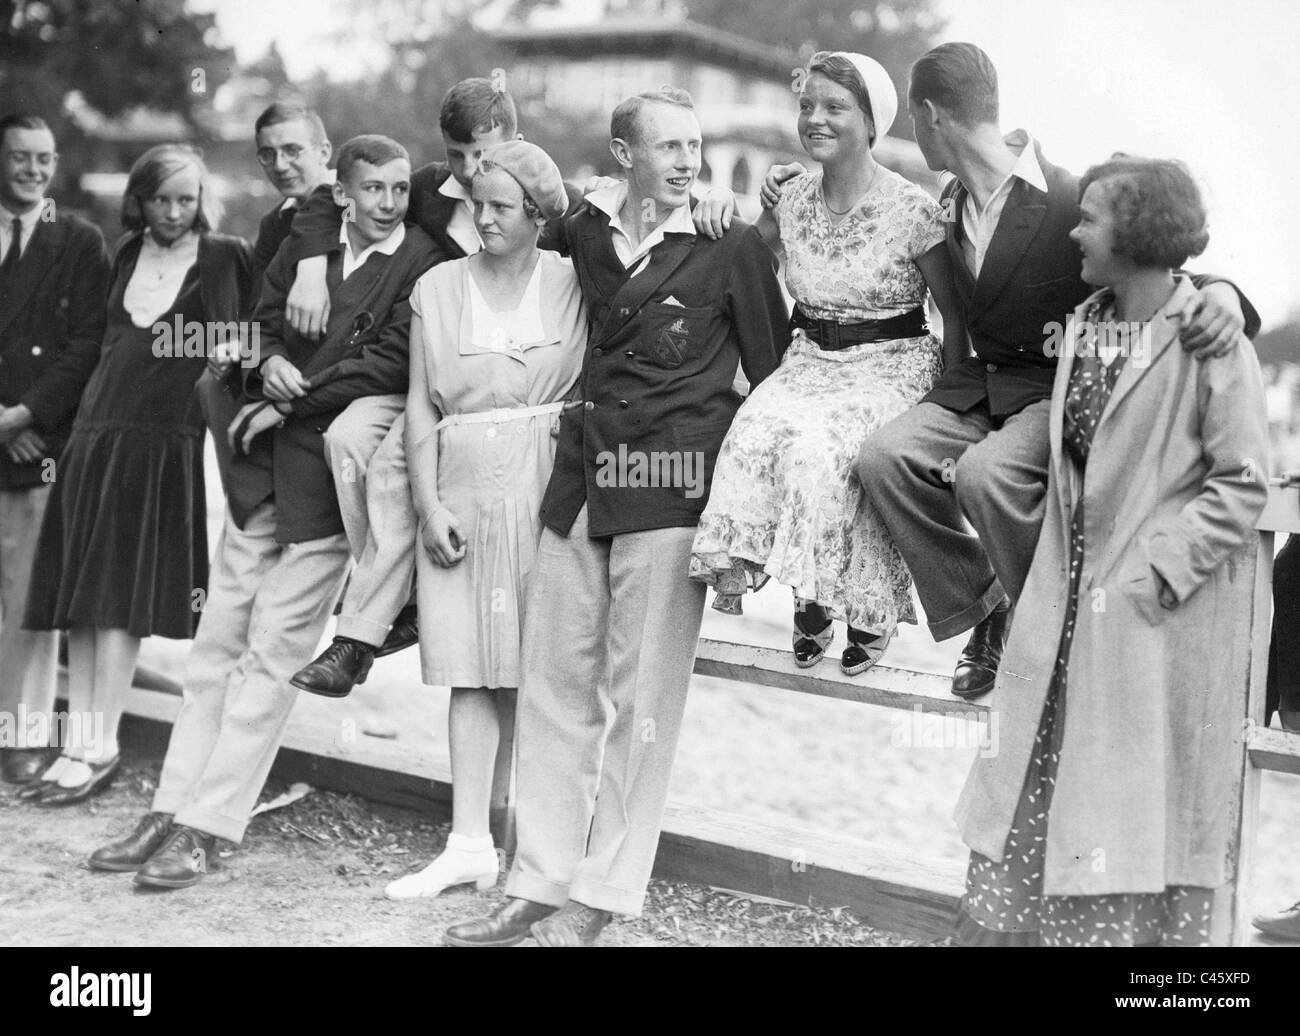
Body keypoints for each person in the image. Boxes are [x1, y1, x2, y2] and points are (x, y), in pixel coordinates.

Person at [742, 42, 1256, 701]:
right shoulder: (948, 199)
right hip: (976, 387)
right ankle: (988, 609)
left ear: (931, 115)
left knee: (985, 477)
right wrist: (793, 184)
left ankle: (1029, 621)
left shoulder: (1071, 195)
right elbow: (865, 208)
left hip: (1049, 390)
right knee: (883, 457)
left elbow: (1156, 262)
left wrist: (1222, 295)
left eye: (914, 118)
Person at [444, 87, 787, 947]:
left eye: (695, 147)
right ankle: (539, 879)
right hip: (580, 478)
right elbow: (488, 208)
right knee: (556, 684)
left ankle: (605, 889)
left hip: (671, 488)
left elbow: (774, 374)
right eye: (667, 147)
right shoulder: (586, 231)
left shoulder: (729, 241)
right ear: (623, 155)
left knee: (643, 701)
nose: (686, 162)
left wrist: (741, 514)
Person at [285, 78, 734, 697]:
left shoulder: (557, 200)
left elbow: (640, 208)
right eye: (457, 156)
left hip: (511, 388)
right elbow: (331, 197)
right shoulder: (419, 190)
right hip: (426, 371)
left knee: (398, 465)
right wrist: (311, 262)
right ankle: (382, 609)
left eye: (483, 154)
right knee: (350, 444)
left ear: (515, 141)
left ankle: (367, 627)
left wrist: (711, 196)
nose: (471, 173)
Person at [86, 135, 441, 887]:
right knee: (215, 645)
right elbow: (256, 321)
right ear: (342, 194)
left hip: (318, 485)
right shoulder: (302, 246)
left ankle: (209, 825)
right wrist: (268, 359)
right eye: (372, 189)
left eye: (400, 189)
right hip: (256, 475)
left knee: (273, 653)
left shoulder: (421, 262)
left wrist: (296, 399)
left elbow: (394, 360)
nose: (388, 203)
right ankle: (170, 802)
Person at [953, 155, 1269, 946]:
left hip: (1146, 621)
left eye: (1090, 218)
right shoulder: (1087, 321)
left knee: (1126, 809)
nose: (1074, 231)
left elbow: (1243, 481)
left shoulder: (1210, 338)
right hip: (1064, 617)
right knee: (1035, 784)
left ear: (1138, 233)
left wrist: (1154, 575)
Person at [689, 52, 963, 676]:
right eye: (807, 105)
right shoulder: (788, 197)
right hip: (810, 357)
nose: (815, 118)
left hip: (893, 360)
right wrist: (716, 206)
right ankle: (810, 594)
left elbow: (953, 312)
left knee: (825, 449)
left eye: (835, 107)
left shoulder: (912, 209)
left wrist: (950, 398)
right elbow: (746, 261)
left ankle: (866, 608)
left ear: (872, 123)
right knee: (753, 436)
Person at [381, 141, 586, 900]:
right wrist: (429, 504)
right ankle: (468, 844)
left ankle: (538, 849)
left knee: (540, 674)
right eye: (478, 205)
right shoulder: (436, 288)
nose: (486, 219)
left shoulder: (572, 282)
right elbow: (417, 405)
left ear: (537, 215)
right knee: (470, 672)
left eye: (503, 207)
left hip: (547, 486)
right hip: (463, 484)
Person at [22, 143, 250, 806]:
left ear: (202, 199)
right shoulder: (125, 252)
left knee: (122, 600)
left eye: (186, 199)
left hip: (161, 444)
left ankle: (102, 745)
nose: (174, 212)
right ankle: (77, 741)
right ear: (140, 200)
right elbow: (98, 345)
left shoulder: (223, 256)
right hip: (94, 437)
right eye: (161, 199)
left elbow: (247, 339)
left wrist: (232, 353)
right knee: (84, 598)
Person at [0, 114, 108, 787]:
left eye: (42, 159)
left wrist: (26, 415)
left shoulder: (78, 241)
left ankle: (21, 732)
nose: (32, 170)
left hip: (35, 442)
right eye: (18, 158)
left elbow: (84, 344)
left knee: (28, 596)